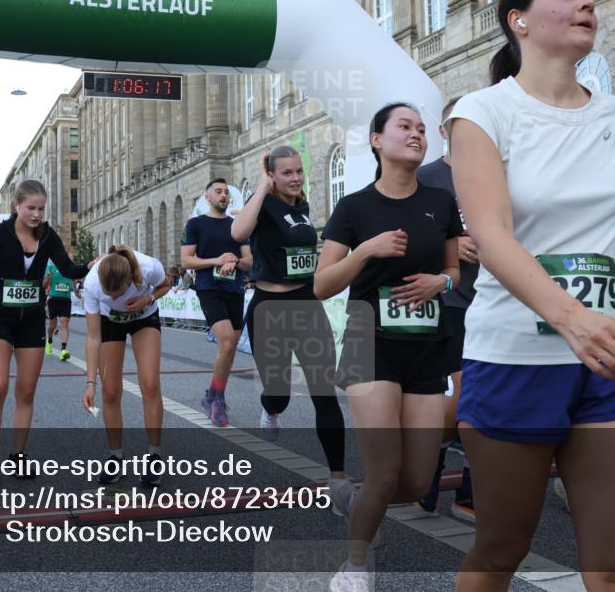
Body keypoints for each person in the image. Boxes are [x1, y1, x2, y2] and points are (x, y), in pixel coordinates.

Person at [448, 0, 615, 591]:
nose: (586, 2)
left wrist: (598, 282)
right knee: (500, 553)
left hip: (610, 359)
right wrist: (571, 317)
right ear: (520, 20)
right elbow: (490, 234)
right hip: (515, 358)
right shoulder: (482, 112)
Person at [316, 102, 461, 591]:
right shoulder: (355, 207)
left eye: (421, 128)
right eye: (404, 126)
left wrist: (439, 282)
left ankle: (354, 503)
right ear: (377, 140)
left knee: (418, 480)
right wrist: (364, 251)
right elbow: (321, 285)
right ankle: (355, 567)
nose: (416, 134)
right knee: (383, 470)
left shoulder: (440, 204)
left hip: (425, 343)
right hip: (367, 340)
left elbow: (454, 270)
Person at [230, 145, 349, 499]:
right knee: (279, 394)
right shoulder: (263, 203)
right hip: (270, 309)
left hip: (307, 303)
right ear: (272, 175)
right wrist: (263, 188)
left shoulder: (303, 206)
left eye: (298, 171)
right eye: (287, 173)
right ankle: (271, 408)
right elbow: (238, 234)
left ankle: (338, 481)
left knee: (324, 392)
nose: (295, 178)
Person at [0, 180, 93, 489]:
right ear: (17, 206)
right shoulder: (0, 234)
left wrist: (93, 265)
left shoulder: (49, 236)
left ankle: (18, 455)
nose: (37, 214)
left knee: (26, 392)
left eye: (41, 208)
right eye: (31, 208)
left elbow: (68, 268)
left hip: (32, 322)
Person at [414, 98, 477, 522]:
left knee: (488, 400)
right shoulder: (426, 178)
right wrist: (451, 245)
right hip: (448, 301)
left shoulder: (497, 173)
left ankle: (470, 493)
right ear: (444, 131)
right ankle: (431, 468)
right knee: (461, 402)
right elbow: (409, 241)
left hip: (495, 299)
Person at [81, 245, 171, 486]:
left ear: (131, 278)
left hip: (144, 316)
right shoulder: (90, 284)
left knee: (150, 384)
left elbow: (167, 283)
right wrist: (90, 383)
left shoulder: (148, 267)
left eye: (117, 294)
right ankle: (116, 456)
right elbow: (92, 337)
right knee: (109, 391)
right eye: (107, 296)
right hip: (110, 322)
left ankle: (154, 456)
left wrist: (148, 298)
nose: (112, 298)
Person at [180, 179, 253, 427]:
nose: (223, 195)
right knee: (227, 341)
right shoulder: (196, 224)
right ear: (207, 197)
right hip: (209, 289)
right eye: (218, 192)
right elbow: (187, 261)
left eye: (226, 192)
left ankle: (212, 392)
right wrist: (216, 260)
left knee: (230, 348)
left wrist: (236, 261)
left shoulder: (237, 227)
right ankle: (218, 400)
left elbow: (250, 260)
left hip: (234, 289)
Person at [43, 260, 75, 360]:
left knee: (64, 323)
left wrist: (76, 292)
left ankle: (63, 350)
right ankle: (49, 340)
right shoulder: (50, 268)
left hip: (66, 300)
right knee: (52, 325)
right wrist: (48, 278)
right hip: (54, 300)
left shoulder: (69, 268)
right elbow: (44, 285)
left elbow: (73, 280)